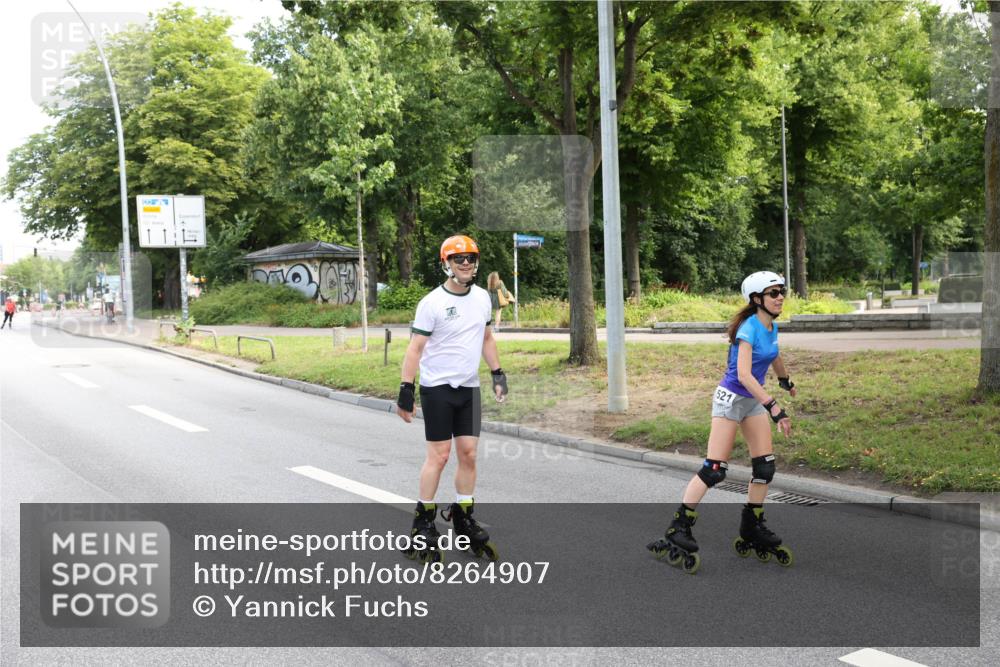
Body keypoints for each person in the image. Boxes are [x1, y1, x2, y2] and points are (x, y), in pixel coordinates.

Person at [648, 271, 797, 574]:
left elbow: (774, 354)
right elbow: (743, 375)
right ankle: (679, 526)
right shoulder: (748, 328)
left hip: (752, 400)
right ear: (757, 299)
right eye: (773, 293)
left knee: (765, 466)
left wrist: (784, 379)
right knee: (715, 469)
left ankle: (752, 525)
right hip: (731, 399)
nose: (780, 296)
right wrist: (774, 406)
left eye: (782, 291)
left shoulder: (771, 325)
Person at [396, 235, 508, 563]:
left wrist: (497, 373)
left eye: (471, 258)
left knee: (469, 454)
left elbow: (486, 338)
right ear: (446, 263)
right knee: (440, 456)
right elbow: (415, 348)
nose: (466, 264)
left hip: (468, 388)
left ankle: (462, 515)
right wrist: (406, 388)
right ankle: (423, 520)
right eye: (459, 259)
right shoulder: (431, 303)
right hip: (437, 388)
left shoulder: (483, 299)